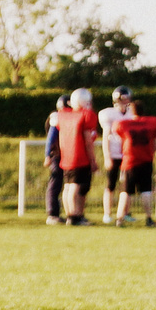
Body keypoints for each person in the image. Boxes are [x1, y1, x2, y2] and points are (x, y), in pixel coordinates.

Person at [113, 104, 156, 227]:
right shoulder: (153, 122)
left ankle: (119, 218)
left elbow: (119, 135)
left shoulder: (123, 124)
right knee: (146, 191)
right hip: (146, 161)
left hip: (129, 162)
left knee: (125, 191)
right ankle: (148, 218)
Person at [55, 88, 99, 226]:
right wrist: (92, 160)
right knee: (74, 187)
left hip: (66, 156)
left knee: (68, 187)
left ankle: (71, 215)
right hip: (79, 156)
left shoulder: (64, 115)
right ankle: (75, 217)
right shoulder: (86, 115)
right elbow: (87, 140)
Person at [100, 86, 132, 221]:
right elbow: (105, 136)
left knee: (127, 185)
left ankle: (125, 213)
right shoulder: (109, 114)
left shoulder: (131, 113)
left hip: (127, 154)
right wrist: (107, 156)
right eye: (122, 99)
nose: (124, 102)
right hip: (114, 153)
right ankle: (107, 213)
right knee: (110, 184)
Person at [43, 95, 67, 224]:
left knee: (64, 185)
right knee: (55, 183)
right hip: (57, 155)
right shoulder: (56, 117)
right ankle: (52, 213)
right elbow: (51, 138)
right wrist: (47, 155)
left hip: (65, 154)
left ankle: (61, 213)